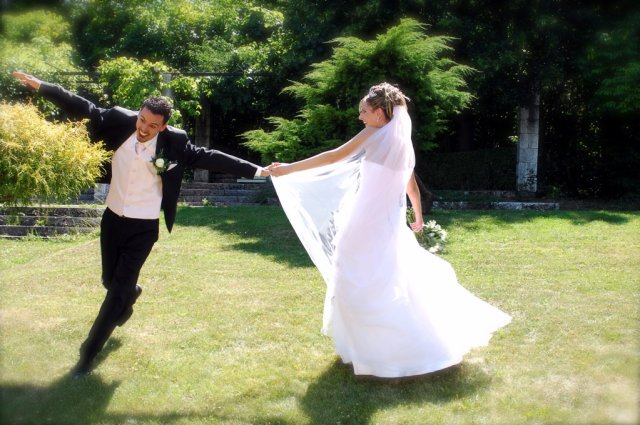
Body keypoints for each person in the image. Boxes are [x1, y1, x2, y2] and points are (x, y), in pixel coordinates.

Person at [12, 71, 270, 377]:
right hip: (112, 220)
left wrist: (258, 171)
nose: (144, 129)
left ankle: (87, 355)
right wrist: (43, 86)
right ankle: (131, 292)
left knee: (115, 294)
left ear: (163, 126)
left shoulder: (175, 143)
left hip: (143, 228)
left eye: (152, 126)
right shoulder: (120, 121)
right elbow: (83, 106)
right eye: (142, 120)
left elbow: (211, 157)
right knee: (110, 281)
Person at [269, 82, 511, 378]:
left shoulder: (373, 135)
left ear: (380, 113)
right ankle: (392, 346)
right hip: (388, 223)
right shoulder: (402, 143)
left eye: (364, 111)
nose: (360, 117)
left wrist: (288, 168)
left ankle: (373, 350)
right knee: (388, 277)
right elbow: (411, 185)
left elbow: (334, 156)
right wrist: (418, 216)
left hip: (363, 221)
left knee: (356, 276)